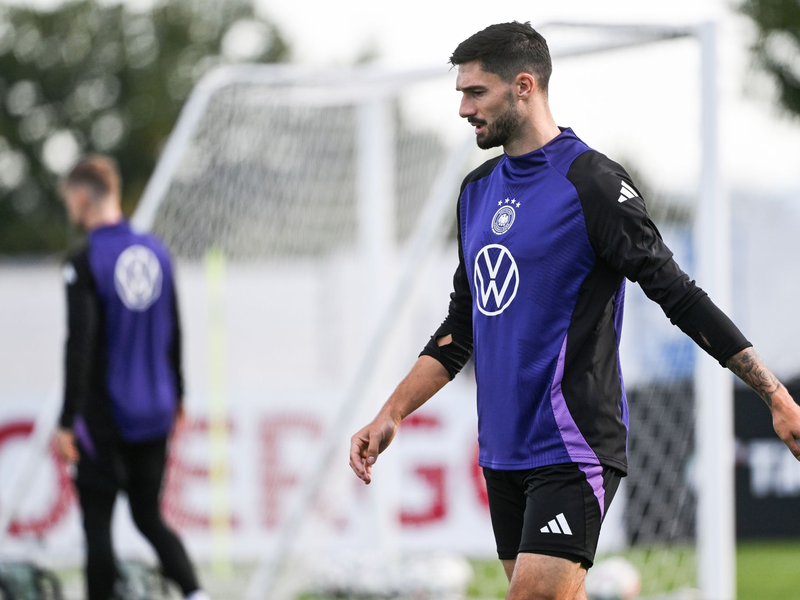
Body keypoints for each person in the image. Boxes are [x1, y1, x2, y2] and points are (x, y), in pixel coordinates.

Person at [349, 22, 800, 600]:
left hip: (573, 441)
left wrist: (774, 394)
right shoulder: (476, 191)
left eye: (476, 92)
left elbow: (678, 294)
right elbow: (462, 327)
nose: (463, 109)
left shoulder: (592, 182)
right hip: (502, 449)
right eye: (461, 94)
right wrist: (391, 413)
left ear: (524, 86)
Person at [55, 155, 208, 600]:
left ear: (81, 197)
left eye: (69, 200)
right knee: (148, 516)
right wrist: (179, 395)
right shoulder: (156, 251)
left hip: (106, 415)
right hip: (156, 409)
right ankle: (197, 594)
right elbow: (175, 328)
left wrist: (67, 420)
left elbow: (80, 345)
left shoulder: (85, 260)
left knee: (98, 526)